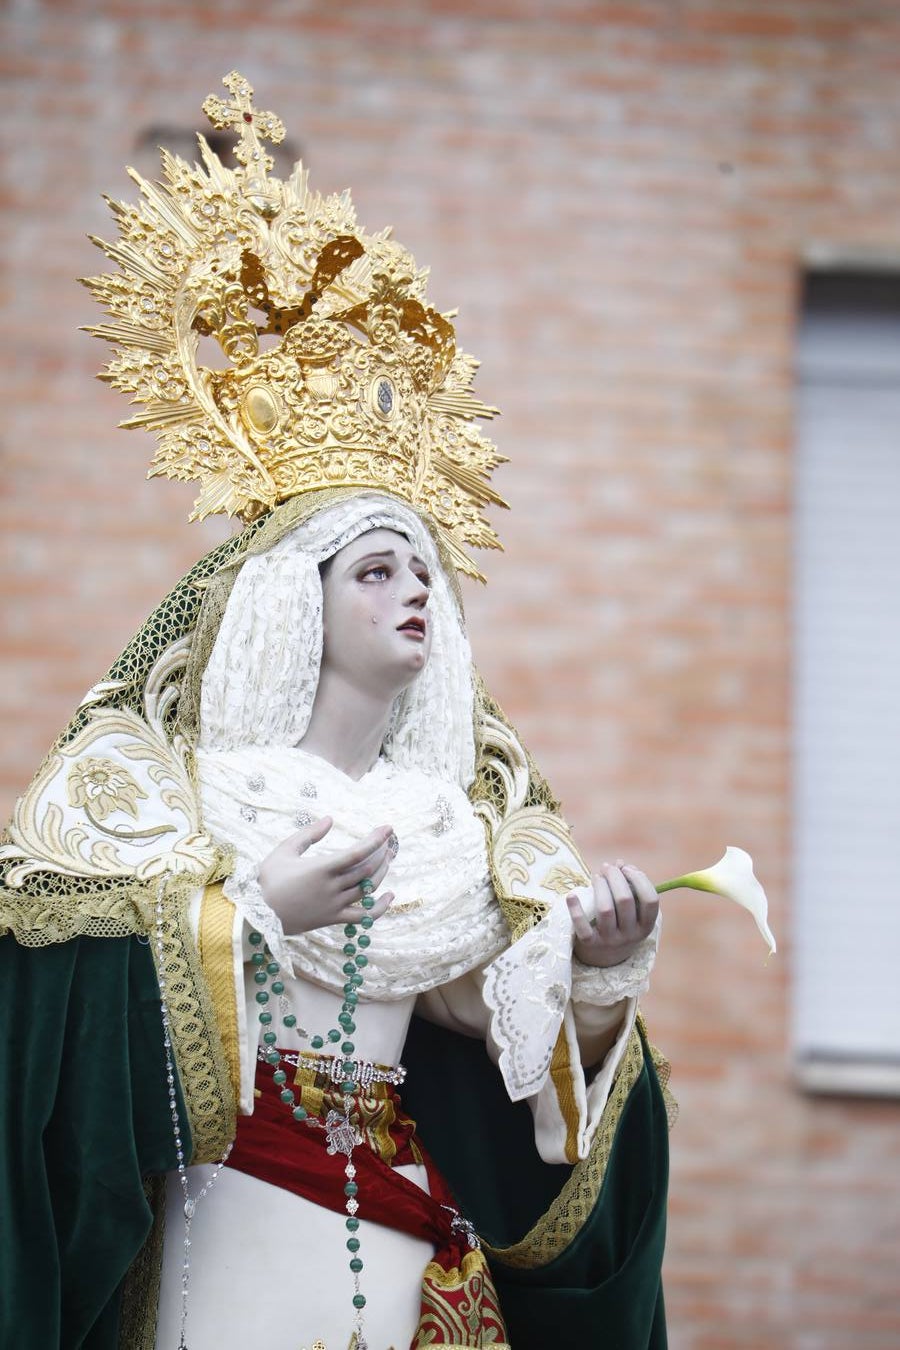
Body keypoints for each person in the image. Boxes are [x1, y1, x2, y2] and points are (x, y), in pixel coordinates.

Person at [0, 73, 672, 1350]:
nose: (417, 590)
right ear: (290, 610)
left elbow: (494, 1061)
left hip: (404, 1241)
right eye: (377, 568)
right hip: (235, 1231)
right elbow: (52, 1035)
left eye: (426, 571)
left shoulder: (454, 831)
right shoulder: (174, 800)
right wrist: (252, 915)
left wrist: (587, 980)